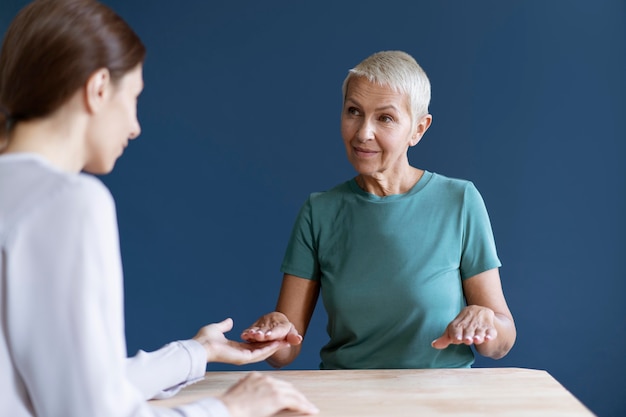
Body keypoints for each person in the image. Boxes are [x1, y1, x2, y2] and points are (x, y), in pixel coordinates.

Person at [0, 1, 318, 416]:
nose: (135, 126)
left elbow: (74, 384)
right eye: (132, 98)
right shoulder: (70, 201)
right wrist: (231, 409)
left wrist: (197, 351)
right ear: (97, 89)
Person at [242, 50, 517, 370]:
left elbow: (501, 344)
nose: (362, 133)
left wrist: (486, 322)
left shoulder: (460, 200)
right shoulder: (319, 211)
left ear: (418, 129)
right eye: (353, 111)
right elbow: (284, 353)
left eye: (385, 118)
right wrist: (275, 330)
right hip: (349, 398)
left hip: (441, 402)